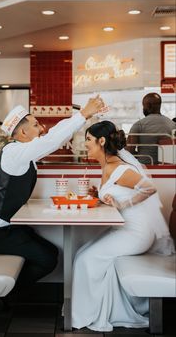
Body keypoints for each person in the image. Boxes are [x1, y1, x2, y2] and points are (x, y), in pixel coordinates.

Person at [0, 97, 107, 286]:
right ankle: (6, 293)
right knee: (47, 259)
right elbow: (52, 140)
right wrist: (83, 114)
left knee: (53, 253)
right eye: (36, 125)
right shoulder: (14, 152)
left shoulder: (25, 154)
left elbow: (54, 135)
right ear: (23, 131)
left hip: (9, 228)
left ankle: (9, 290)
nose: (42, 129)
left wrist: (80, 116)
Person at [72, 120, 174, 332]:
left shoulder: (118, 168)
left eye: (88, 139)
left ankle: (86, 314)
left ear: (101, 141)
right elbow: (116, 193)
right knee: (81, 252)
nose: (85, 144)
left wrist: (123, 203)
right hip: (123, 229)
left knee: (85, 259)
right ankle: (98, 308)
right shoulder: (107, 165)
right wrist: (99, 196)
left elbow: (149, 188)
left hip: (136, 233)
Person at [127, 92, 175, 164]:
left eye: (143, 106)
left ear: (148, 106)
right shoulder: (172, 124)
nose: (143, 108)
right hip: (167, 169)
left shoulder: (138, 125)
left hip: (145, 169)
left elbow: (129, 152)